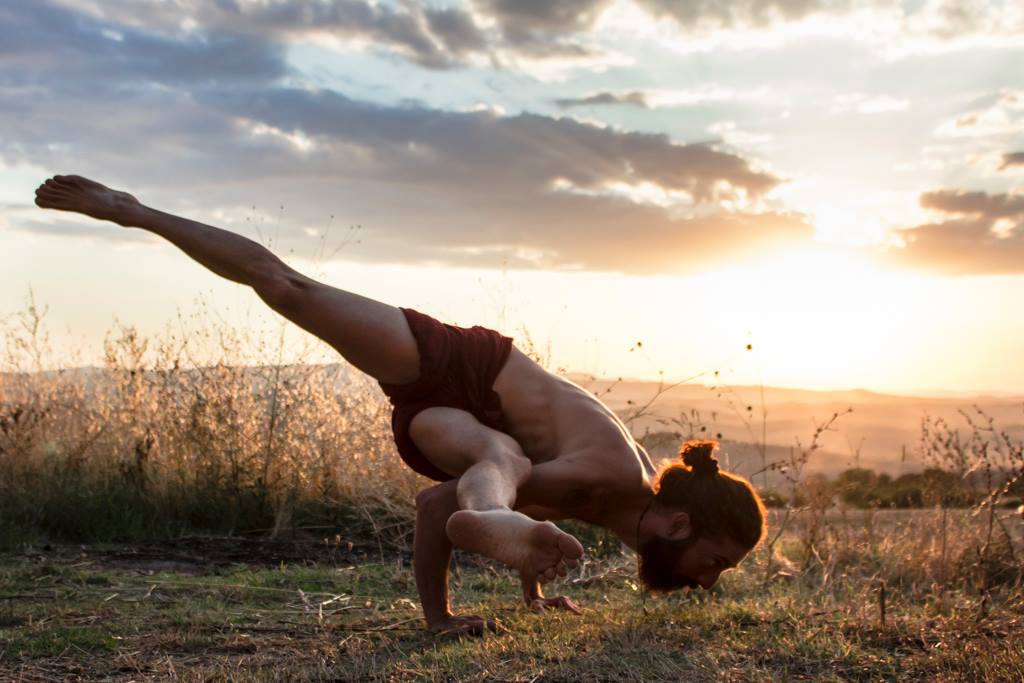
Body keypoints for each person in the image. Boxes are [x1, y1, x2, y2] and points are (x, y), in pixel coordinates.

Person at [34, 174, 767, 635]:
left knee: (499, 461)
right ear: (678, 520)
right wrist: (506, 548)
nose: (707, 579)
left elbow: (463, 513)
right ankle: (133, 209)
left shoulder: (612, 500)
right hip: (458, 363)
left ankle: (486, 520)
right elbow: (484, 505)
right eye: (715, 560)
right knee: (285, 285)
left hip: (466, 427)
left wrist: (473, 605)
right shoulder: (612, 477)